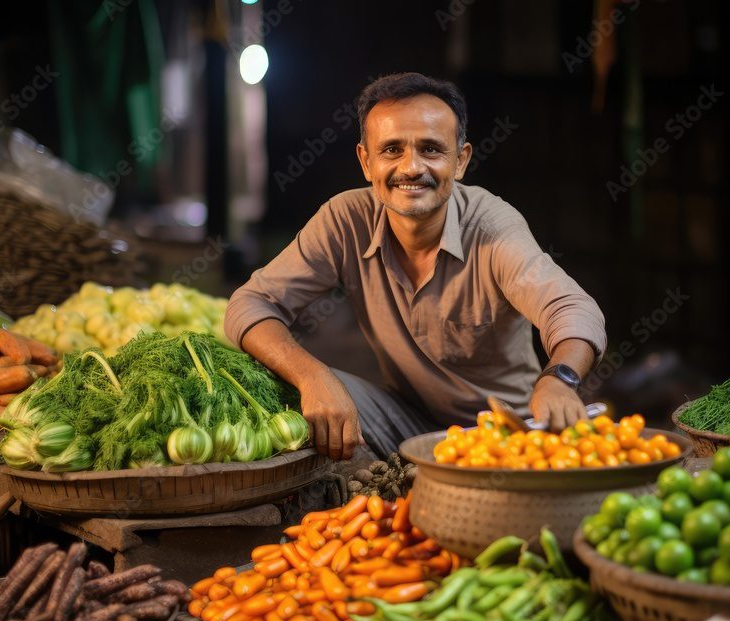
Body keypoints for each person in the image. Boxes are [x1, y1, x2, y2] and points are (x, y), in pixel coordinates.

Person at [224, 72, 606, 461]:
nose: (411, 168)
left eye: (431, 149)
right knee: (286, 385)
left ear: (460, 161)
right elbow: (250, 303)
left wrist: (559, 378)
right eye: (391, 150)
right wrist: (312, 375)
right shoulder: (345, 220)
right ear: (366, 161)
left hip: (506, 437)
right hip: (406, 422)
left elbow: (572, 308)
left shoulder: (493, 227)